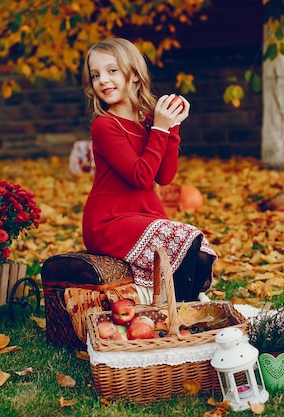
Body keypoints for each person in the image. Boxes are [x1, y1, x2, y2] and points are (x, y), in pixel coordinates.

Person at [81, 37, 216, 302]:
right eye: (95, 75)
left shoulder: (149, 122)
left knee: (198, 248)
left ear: (134, 75)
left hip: (144, 214)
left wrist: (171, 125)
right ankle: (180, 313)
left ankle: (184, 310)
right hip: (109, 221)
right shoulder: (105, 126)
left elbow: (163, 177)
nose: (103, 81)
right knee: (185, 238)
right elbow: (141, 177)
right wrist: (161, 128)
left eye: (112, 71)